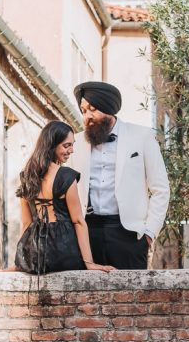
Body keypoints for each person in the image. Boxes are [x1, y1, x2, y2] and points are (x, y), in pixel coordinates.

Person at [70, 81, 170, 270]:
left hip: (129, 236)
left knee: (132, 297)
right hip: (85, 233)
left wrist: (149, 233)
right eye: (83, 111)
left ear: (109, 108)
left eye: (92, 109)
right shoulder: (74, 142)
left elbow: (160, 189)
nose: (87, 116)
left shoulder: (142, 136)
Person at [14, 120, 115, 276]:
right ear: (51, 145)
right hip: (63, 252)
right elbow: (78, 221)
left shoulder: (27, 177)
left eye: (72, 145)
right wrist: (90, 263)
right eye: (66, 145)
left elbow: (27, 223)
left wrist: (19, 262)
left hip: (36, 255)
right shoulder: (66, 176)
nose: (72, 150)